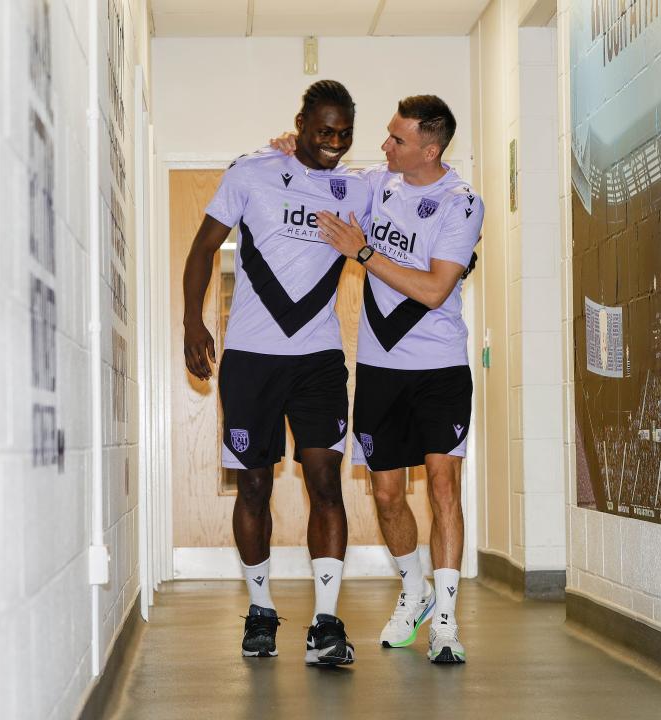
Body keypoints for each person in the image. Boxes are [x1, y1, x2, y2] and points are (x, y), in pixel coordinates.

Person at [278, 95, 484, 663]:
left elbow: (435, 288)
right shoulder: (377, 185)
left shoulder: (461, 204)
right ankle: (413, 591)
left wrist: (363, 251)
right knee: (388, 494)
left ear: (430, 149)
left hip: (440, 367)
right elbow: (315, 182)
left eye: (397, 140)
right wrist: (285, 153)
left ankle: (445, 619)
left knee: (444, 487)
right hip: (379, 371)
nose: (384, 146)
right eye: (388, 136)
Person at [183, 80, 371, 666]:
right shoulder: (251, 173)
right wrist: (193, 320)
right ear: (301, 122)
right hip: (252, 362)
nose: (334, 143)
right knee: (255, 485)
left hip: (317, 362)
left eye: (344, 134)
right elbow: (201, 249)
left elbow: (416, 194)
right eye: (323, 132)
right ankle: (261, 611)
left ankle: (325, 623)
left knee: (325, 484)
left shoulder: (357, 187)